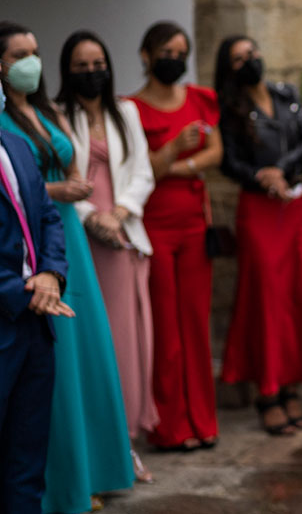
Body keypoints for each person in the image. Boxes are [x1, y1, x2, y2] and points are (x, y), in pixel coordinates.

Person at [0, 22, 135, 511]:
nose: (31, 62)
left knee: (86, 354)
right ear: (1, 65)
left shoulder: (45, 110)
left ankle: (99, 469)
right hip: (32, 237)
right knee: (56, 365)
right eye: (20, 55)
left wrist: (72, 186)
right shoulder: (4, 121)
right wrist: (58, 192)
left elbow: (69, 163)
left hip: (67, 240)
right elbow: (22, 186)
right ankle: (65, 481)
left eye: (35, 52)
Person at [58, 30, 159, 483]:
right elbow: (61, 177)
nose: (91, 72)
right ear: (67, 70)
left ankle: (127, 444)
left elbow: (143, 170)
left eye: (97, 63)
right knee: (98, 347)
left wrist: (119, 213)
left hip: (123, 238)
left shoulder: (127, 112)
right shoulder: (58, 116)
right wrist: (90, 217)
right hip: (83, 241)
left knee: (130, 344)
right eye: (81, 66)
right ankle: (103, 445)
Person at [215, 35, 302, 435]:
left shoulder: (287, 95)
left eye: (252, 53)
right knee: (265, 297)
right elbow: (229, 161)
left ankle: (292, 387)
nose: (249, 60)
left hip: (292, 205)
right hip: (259, 210)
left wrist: (281, 168)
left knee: (298, 294)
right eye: (239, 57)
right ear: (229, 68)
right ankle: (268, 391)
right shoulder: (230, 109)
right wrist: (263, 178)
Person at [129, 21, 224, 451]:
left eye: (181, 51)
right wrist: (172, 149)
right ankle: (170, 427)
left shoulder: (200, 98)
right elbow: (137, 170)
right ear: (147, 55)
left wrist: (179, 166)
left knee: (195, 325)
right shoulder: (130, 109)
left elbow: (215, 152)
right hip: (153, 226)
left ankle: (203, 421)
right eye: (166, 51)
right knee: (165, 329)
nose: (175, 58)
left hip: (192, 223)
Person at [0, 70, 71, 514]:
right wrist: (17, 289)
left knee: (26, 460)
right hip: (9, 310)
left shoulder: (18, 145)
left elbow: (47, 216)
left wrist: (50, 275)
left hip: (35, 323)